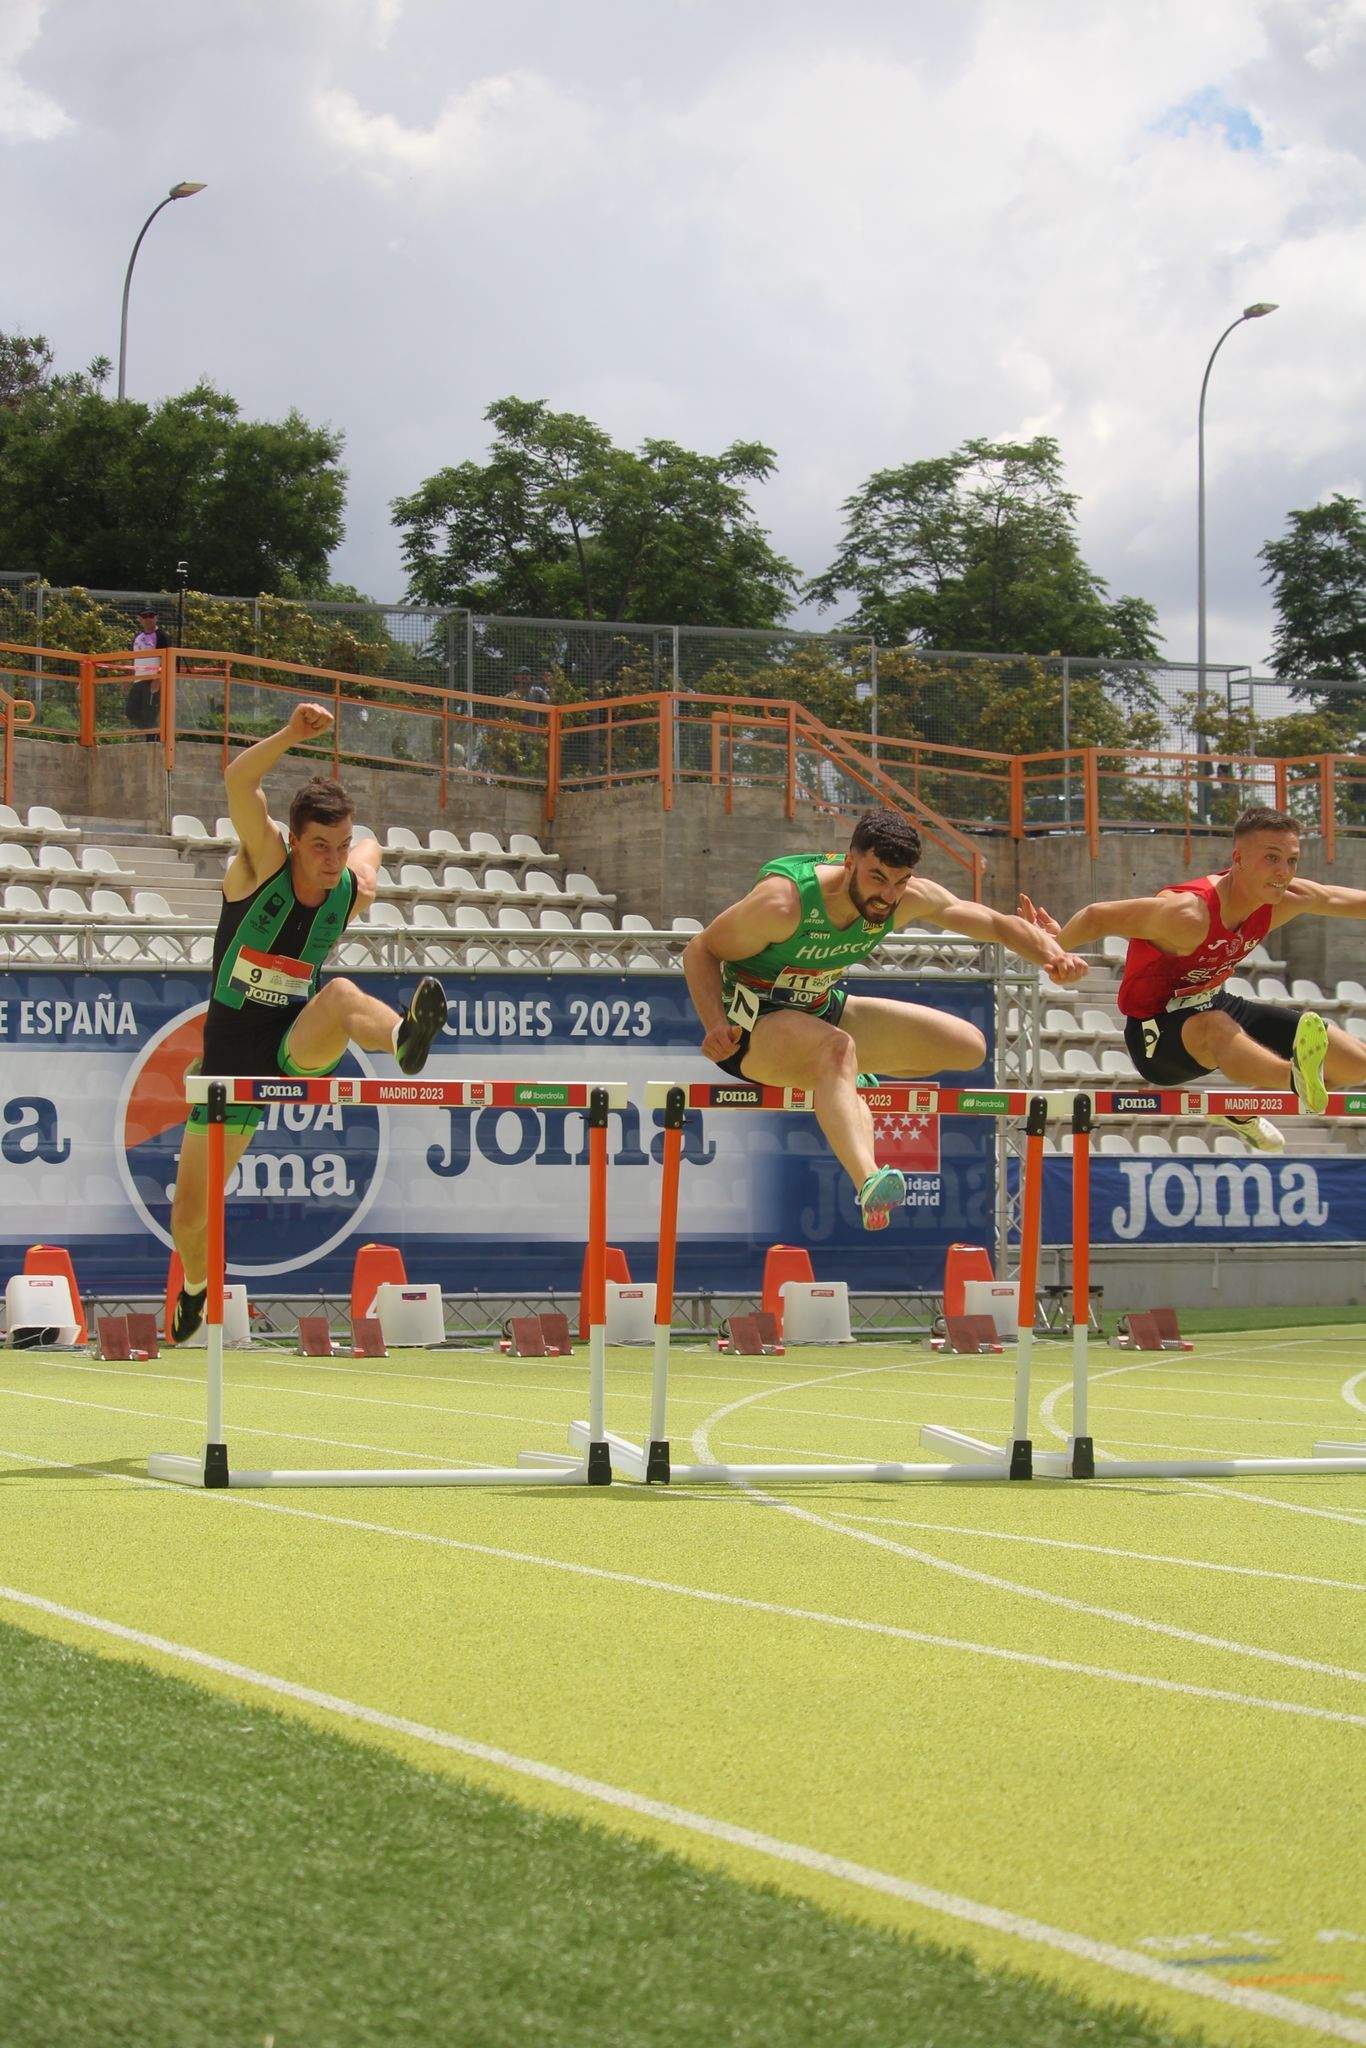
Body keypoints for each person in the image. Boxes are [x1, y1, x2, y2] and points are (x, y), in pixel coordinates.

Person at [168, 702, 448, 1342]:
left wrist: (361, 849)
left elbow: (372, 851)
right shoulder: (260, 864)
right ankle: (193, 1285)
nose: (332, 860)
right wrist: (293, 735)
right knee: (189, 1218)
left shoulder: (351, 884)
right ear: (294, 840)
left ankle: (403, 1038)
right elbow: (239, 783)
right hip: (230, 1066)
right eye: (320, 846)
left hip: (296, 1043)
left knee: (344, 993)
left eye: (340, 847)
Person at [681, 808, 1088, 1230]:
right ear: (849, 863)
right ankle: (870, 1180)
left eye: (899, 882)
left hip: (819, 1008)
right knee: (836, 1048)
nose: (888, 896)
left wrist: (1054, 956)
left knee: (968, 1047)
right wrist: (714, 1025)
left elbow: (993, 924)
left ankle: (841, 1079)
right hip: (752, 1026)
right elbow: (699, 950)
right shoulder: (783, 904)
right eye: (877, 878)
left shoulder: (904, 898)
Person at [1020, 804, 1366, 1150]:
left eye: (1292, 861)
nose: (1283, 872)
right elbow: (1097, 916)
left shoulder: (1285, 899)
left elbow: (1342, 899)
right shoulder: (1187, 914)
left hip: (1215, 1001)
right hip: (1157, 1031)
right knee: (1216, 1026)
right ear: (1238, 858)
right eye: (1272, 858)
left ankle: (1244, 1111)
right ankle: (1294, 1080)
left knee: (1355, 1064)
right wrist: (1055, 949)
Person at [126, 607, 170, 734]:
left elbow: (166, 658)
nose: (148, 619)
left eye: (151, 615)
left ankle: (153, 738)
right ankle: (149, 733)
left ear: (156, 617)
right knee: (131, 712)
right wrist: (130, 678)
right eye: (145, 616)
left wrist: (158, 678)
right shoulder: (137, 637)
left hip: (152, 679)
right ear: (140, 619)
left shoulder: (161, 636)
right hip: (138, 680)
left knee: (149, 712)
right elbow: (133, 658)